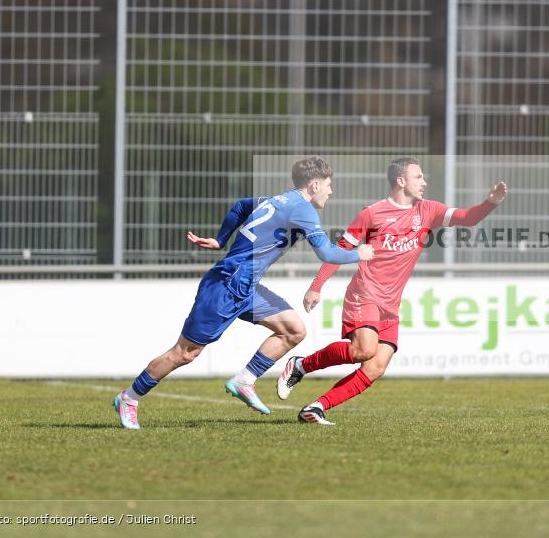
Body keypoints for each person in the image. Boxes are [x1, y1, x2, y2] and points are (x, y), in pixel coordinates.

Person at [113, 156, 373, 430]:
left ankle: (244, 380)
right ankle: (129, 397)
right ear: (315, 184)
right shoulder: (304, 209)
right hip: (227, 284)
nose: (331, 192)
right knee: (184, 353)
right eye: (329, 186)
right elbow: (326, 252)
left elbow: (240, 207)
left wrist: (221, 239)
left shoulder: (274, 200)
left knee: (293, 330)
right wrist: (359, 253)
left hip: (246, 286)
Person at [275, 157, 508, 425]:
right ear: (401, 181)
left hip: (390, 303)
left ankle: (315, 408)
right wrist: (316, 287)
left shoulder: (428, 210)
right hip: (365, 293)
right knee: (363, 349)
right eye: (418, 177)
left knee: (375, 366)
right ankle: (301, 365)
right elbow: (342, 248)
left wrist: (490, 203)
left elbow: (468, 218)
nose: (424, 182)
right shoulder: (372, 213)